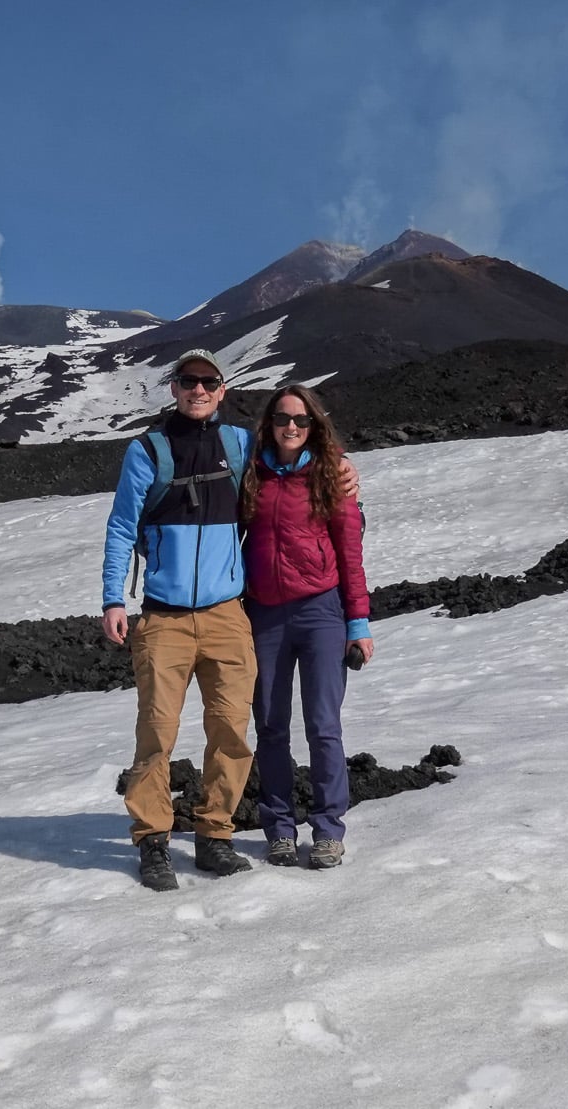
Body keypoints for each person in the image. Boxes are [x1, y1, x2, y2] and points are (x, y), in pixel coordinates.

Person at [102, 350, 256, 891]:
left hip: (227, 617)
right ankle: (153, 841)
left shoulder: (239, 445)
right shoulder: (147, 450)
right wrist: (113, 599)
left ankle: (215, 834)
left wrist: (343, 473)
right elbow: (122, 527)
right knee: (157, 733)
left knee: (230, 729)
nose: (198, 389)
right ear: (174, 387)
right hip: (163, 620)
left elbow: (295, 469)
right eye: (188, 381)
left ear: (222, 388)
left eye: (208, 382)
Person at [239, 383, 373, 870]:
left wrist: (358, 621)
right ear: (268, 424)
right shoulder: (251, 472)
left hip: (321, 611)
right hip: (264, 615)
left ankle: (328, 829)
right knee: (271, 726)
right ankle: (278, 828)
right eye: (282, 419)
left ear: (314, 425)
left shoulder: (329, 474)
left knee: (323, 725)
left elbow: (350, 552)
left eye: (300, 420)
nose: (290, 427)